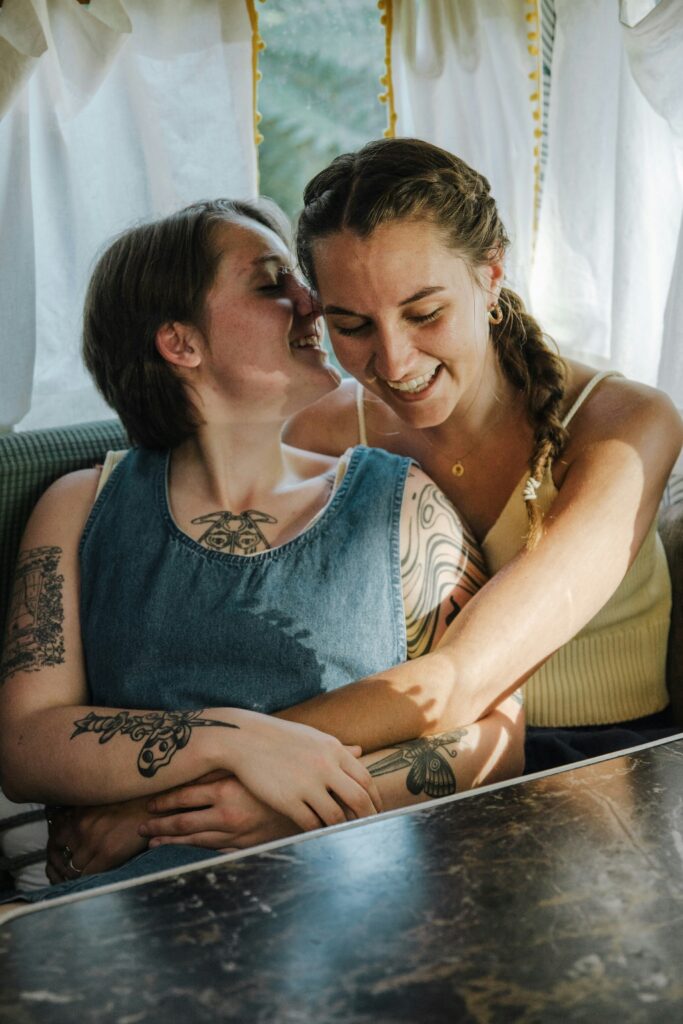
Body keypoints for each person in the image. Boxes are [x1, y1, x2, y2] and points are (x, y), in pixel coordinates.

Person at [0, 198, 523, 899]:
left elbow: (497, 737)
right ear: (181, 343)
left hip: (353, 898)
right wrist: (234, 739)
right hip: (124, 913)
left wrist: (282, 805)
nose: (312, 303)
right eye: (273, 283)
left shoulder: (399, 504)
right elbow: (26, 743)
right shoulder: (80, 506)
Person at [283, 137, 683, 770]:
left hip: (600, 768)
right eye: (352, 326)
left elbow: (461, 679)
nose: (394, 362)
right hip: (399, 758)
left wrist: (211, 756)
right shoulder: (318, 435)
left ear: (491, 275)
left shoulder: (626, 424)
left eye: (424, 313)